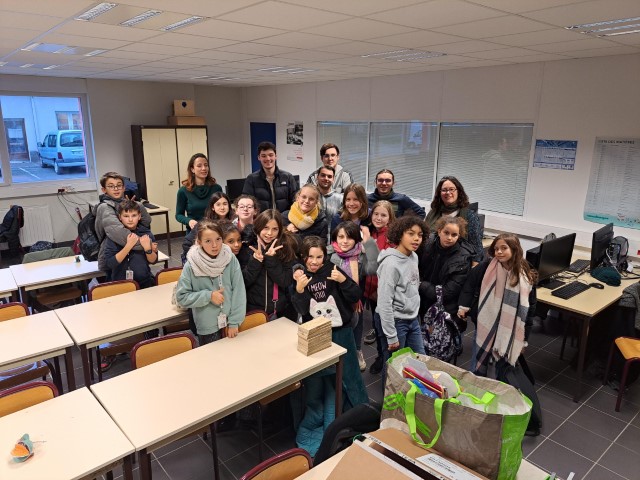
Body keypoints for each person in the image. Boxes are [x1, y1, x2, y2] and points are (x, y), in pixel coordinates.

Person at [291, 235, 368, 457]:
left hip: (341, 333)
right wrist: (299, 290)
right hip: (317, 335)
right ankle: (325, 422)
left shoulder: (333, 270)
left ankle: (360, 419)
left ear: (325, 257)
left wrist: (343, 281)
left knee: (350, 378)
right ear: (303, 257)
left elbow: (355, 295)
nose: (315, 262)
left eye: (319, 257)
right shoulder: (301, 276)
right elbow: (302, 310)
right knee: (320, 380)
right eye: (310, 257)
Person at [458, 233, 537, 376]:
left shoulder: (525, 273)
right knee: (478, 361)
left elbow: (529, 309)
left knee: (502, 368)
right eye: (496, 249)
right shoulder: (487, 266)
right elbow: (469, 284)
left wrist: (524, 340)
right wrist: (464, 306)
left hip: (509, 329)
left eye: (504, 248)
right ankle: (476, 384)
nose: (499, 252)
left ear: (514, 249)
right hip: (486, 323)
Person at [374, 216, 428, 383]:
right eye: (411, 234)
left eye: (420, 235)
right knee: (394, 369)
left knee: (421, 361)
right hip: (395, 321)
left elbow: (412, 286)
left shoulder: (414, 257)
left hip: (412, 319)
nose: (416, 238)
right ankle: (389, 399)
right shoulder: (390, 264)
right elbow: (384, 303)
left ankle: (411, 395)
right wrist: (391, 335)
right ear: (399, 234)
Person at [175, 220, 246, 346]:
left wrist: (234, 321)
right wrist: (208, 296)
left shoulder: (230, 258)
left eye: (218, 239)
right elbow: (181, 297)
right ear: (199, 242)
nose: (214, 245)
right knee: (213, 357)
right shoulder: (191, 265)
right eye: (208, 241)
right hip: (207, 326)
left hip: (231, 321)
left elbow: (239, 291)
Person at [329, 221, 378, 371]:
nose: (344, 241)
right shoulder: (329, 253)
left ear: (356, 239)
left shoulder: (360, 256)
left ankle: (357, 351)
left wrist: (369, 243)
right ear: (335, 238)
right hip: (334, 300)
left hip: (355, 300)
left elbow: (373, 268)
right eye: (341, 237)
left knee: (357, 325)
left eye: (349, 237)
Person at [418, 216, 474, 337]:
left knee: (444, 341)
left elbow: (447, 293)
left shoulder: (463, 258)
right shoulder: (428, 243)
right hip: (424, 302)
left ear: (459, 236)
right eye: (446, 233)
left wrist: (421, 285)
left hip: (447, 308)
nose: (449, 238)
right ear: (439, 231)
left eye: (454, 235)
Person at [243, 210, 298, 320]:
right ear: (259, 227)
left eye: (275, 229)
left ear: (280, 230)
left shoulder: (285, 247)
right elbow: (243, 282)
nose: (269, 233)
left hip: (279, 310)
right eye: (265, 228)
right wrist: (255, 261)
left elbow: (285, 281)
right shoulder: (247, 247)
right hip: (253, 311)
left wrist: (271, 260)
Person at [95, 171, 152, 277]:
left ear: (124, 188)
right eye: (111, 186)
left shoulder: (125, 203)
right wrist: (147, 245)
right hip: (113, 252)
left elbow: (146, 222)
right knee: (118, 280)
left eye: (119, 185)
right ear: (104, 190)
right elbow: (119, 233)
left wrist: (136, 205)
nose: (116, 189)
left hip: (134, 254)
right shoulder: (104, 208)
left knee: (140, 277)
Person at [362, 200, 396, 374]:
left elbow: (379, 263)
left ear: (390, 218)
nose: (379, 218)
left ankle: (386, 360)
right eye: (376, 214)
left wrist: (368, 242)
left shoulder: (391, 237)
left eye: (383, 215)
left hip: (382, 291)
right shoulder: (371, 232)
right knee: (377, 327)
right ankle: (380, 356)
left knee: (384, 329)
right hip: (370, 290)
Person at [425, 176, 484, 264]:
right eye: (444, 190)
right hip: (431, 262)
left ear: (458, 191)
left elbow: (477, 248)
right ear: (439, 193)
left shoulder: (469, 216)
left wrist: (474, 267)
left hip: (457, 265)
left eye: (451, 189)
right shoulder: (433, 213)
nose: (448, 193)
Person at [103, 199, 157, 289]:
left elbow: (153, 261)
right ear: (120, 217)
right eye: (126, 216)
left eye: (134, 215)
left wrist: (148, 249)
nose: (130, 219)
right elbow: (109, 263)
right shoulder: (115, 235)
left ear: (139, 216)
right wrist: (128, 246)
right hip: (121, 283)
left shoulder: (146, 233)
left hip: (144, 281)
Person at [242, 141, 297, 213]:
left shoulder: (288, 177)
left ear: (276, 156)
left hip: (284, 218)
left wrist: (286, 217)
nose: (268, 159)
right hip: (261, 219)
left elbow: (295, 202)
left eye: (271, 155)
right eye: (263, 156)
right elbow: (247, 203)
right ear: (259, 158)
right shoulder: (251, 179)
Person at [175, 153, 222, 231]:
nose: (204, 168)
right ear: (192, 169)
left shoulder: (216, 188)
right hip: (194, 231)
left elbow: (222, 209)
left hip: (214, 230)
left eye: (206, 165)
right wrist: (189, 221)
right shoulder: (183, 191)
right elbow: (178, 215)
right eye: (199, 166)